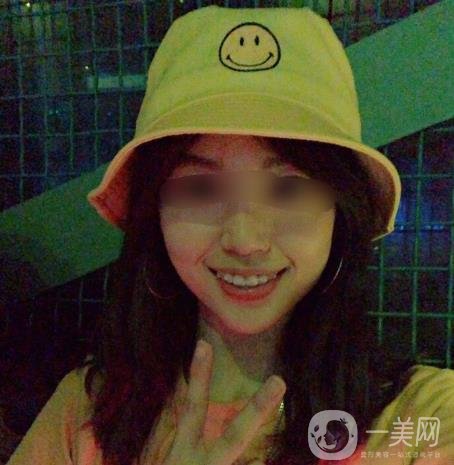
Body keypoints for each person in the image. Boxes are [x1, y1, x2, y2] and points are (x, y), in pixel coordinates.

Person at [6, 5, 454, 465]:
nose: (244, 241)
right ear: (154, 211)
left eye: (287, 188)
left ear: (342, 207)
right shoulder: (86, 413)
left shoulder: (428, 418)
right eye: (201, 188)